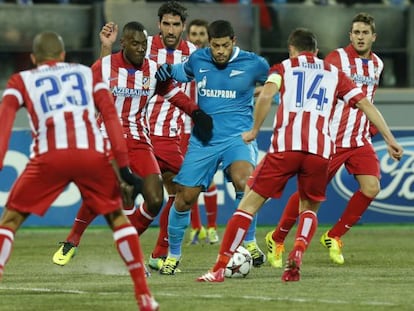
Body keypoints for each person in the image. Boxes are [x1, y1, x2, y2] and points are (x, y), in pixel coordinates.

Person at [196, 27, 403, 283]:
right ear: (316, 51)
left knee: (248, 204)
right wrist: (390, 139)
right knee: (309, 208)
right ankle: (297, 253)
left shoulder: (283, 68)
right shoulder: (334, 73)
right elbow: (365, 104)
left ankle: (218, 268)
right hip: (320, 150)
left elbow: (267, 95)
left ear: (291, 49)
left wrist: (255, 129)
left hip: (287, 146)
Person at [0, 31, 159, 310]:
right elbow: (110, 115)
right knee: (117, 219)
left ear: (34, 58)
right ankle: (144, 296)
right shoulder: (86, 73)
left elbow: (4, 123)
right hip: (91, 154)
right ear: (63, 55)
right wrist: (122, 167)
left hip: (49, 157)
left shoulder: (20, 80)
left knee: (10, 222)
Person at [51, 21, 210, 266]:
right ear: (123, 43)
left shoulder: (154, 69)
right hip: (107, 139)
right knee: (115, 189)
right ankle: (75, 241)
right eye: (134, 44)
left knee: (155, 198)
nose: (139, 49)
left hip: (139, 140)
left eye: (143, 44)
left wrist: (196, 113)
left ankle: (128, 238)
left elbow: (174, 94)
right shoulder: (102, 67)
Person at [266, 12, 387, 268]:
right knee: (307, 197)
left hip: (359, 139)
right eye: (356, 32)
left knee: (371, 187)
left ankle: (333, 236)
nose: (361, 37)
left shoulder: (377, 64)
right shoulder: (336, 59)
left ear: (373, 37)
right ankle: (277, 238)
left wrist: (384, 136)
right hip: (330, 137)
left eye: (365, 33)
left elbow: (368, 101)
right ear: (350, 36)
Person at [155, 19, 270, 275]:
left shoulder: (254, 63)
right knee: (184, 198)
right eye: (215, 46)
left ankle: (249, 242)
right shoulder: (199, 60)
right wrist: (163, 70)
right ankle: (173, 256)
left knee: (245, 181)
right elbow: (178, 72)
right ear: (209, 43)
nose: (219, 51)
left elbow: (277, 80)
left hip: (237, 138)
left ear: (233, 42)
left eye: (224, 46)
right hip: (204, 140)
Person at [184, 18, 220, 245]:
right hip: (184, 126)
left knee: (209, 179)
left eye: (201, 34)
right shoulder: (184, 61)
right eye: (194, 34)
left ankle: (212, 228)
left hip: (209, 127)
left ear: (208, 38)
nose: (197, 38)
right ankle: (197, 228)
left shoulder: (216, 62)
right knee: (190, 181)